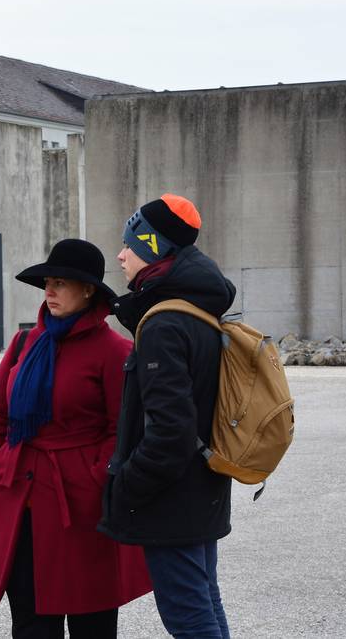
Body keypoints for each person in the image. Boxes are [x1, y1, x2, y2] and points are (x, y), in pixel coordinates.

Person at [0, 238, 152, 639]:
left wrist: (95, 480)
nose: (49, 291)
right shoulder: (25, 343)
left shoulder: (114, 350)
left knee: (93, 622)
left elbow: (122, 430)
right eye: (47, 283)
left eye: (61, 283)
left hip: (81, 509)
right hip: (19, 497)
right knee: (31, 623)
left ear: (88, 290)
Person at [98, 193, 237, 639]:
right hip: (205, 486)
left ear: (154, 247)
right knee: (205, 602)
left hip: (173, 499)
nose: (120, 254)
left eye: (130, 244)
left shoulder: (162, 323)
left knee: (189, 617)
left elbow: (170, 432)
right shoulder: (200, 309)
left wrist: (128, 484)